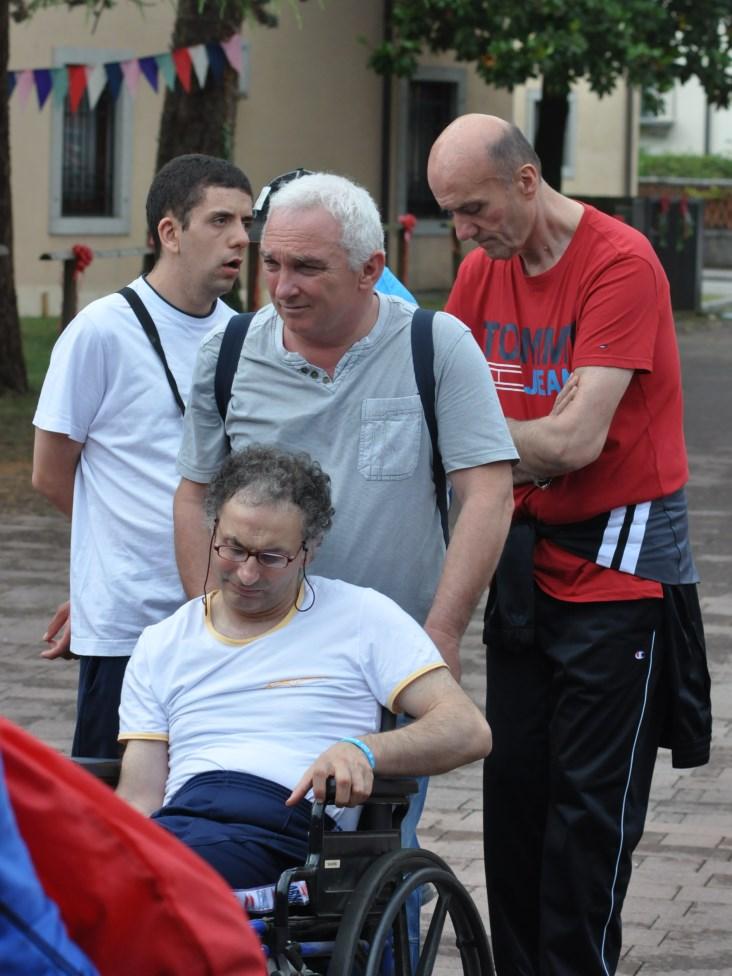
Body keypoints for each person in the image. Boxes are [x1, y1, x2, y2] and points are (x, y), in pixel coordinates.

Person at [427, 113, 711, 975]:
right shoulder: (481, 273)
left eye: (474, 209)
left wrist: (481, 441)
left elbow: (577, 440)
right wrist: (514, 443)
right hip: (522, 560)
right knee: (513, 802)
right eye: (449, 213)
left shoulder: (621, 263)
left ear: (527, 179)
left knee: (586, 823)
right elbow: (443, 413)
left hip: (619, 568)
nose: (463, 232)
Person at [174, 171, 517, 681]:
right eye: (272, 263)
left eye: (307, 267)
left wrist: (442, 632)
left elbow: (489, 495)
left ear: (369, 269)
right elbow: (194, 495)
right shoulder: (227, 353)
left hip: (395, 659)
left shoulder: (436, 346)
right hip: (260, 658)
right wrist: (212, 623)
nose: (283, 288)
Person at [117, 444, 493, 891]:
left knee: (161, 880)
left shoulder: (362, 617)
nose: (247, 574)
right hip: (183, 825)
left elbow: (468, 730)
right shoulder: (162, 642)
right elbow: (139, 798)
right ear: (213, 529)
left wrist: (365, 751)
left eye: (271, 558)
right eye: (233, 549)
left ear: (309, 551)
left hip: (287, 830)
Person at [32, 154, 253, 758]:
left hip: (224, 615)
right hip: (128, 625)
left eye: (245, 221)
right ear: (170, 232)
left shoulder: (242, 337)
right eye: (220, 220)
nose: (240, 238)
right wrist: (107, 561)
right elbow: (51, 473)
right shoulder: (101, 330)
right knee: (116, 799)